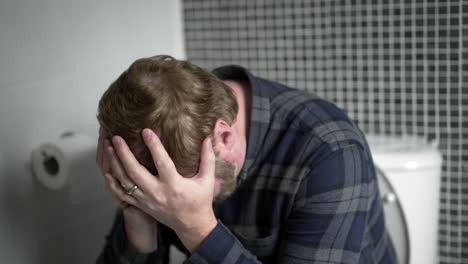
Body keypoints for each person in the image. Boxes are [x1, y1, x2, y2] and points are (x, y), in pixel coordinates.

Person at [95, 55, 397, 263]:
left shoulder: (330, 151)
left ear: (224, 138)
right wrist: (137, 215)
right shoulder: (163, 136)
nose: (170, 202)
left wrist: (196, 227)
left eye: (182, 194)